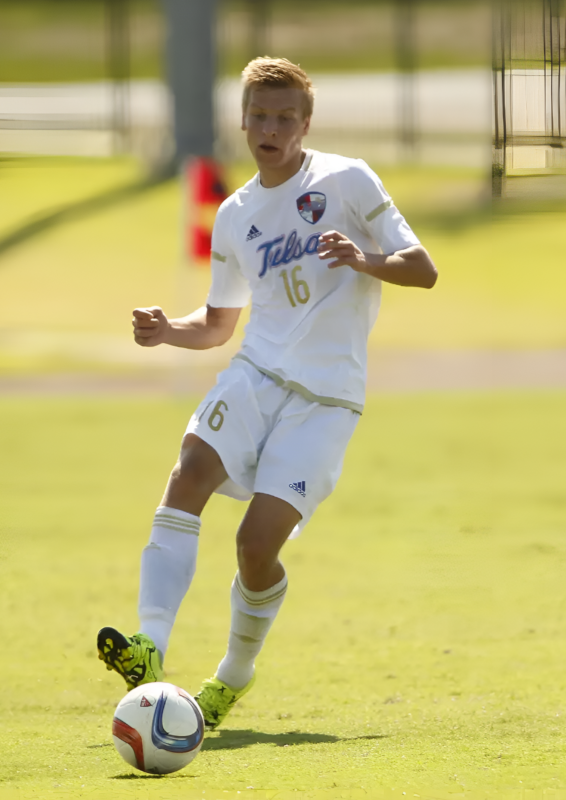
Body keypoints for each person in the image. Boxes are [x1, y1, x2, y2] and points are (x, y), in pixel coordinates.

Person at [97, 56, 437, 729]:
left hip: (327, 399)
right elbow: (220, 324)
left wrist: (363, 260)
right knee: (188, 471)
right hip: (256, 373)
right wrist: (169, 330)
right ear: (243, 122)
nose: (271, 128)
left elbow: (423, 270)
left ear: (306, 124)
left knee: (256, 548)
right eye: (260, 116)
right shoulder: (233, 214)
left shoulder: (348, 179)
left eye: (285, 118)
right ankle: (150, 646)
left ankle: (233, 675)